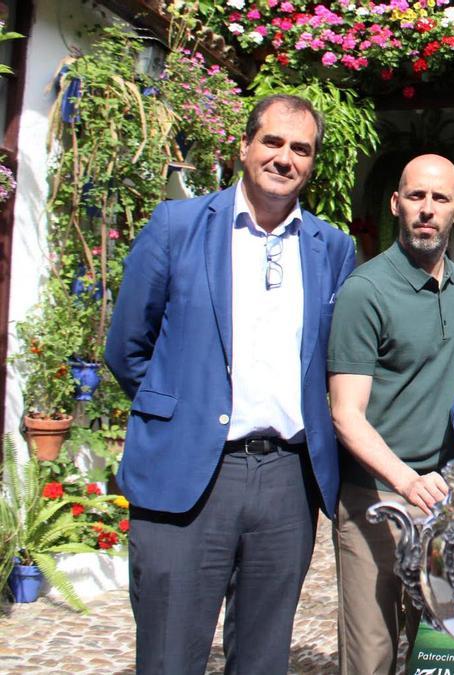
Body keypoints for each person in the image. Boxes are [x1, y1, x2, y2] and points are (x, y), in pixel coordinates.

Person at [105, 94, 357, 674]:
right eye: (273, 142)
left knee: (264, 659)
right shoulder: (178, 227)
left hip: (286, 482)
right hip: (190, 473)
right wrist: (184, 411)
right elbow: (127, 349)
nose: (285, 158)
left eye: (301, 149)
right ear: (244, 147)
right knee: (170, 656)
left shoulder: (332, 249)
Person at [327, 154, 454, 675]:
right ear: (396, 203)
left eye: (439, 199)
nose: (427, 210)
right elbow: (346, 414)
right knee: (372, 656)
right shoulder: (365, 291)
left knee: (438, 655)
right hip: (376, 497)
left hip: (446, 504)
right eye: (416, 196)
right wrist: (406, 482)